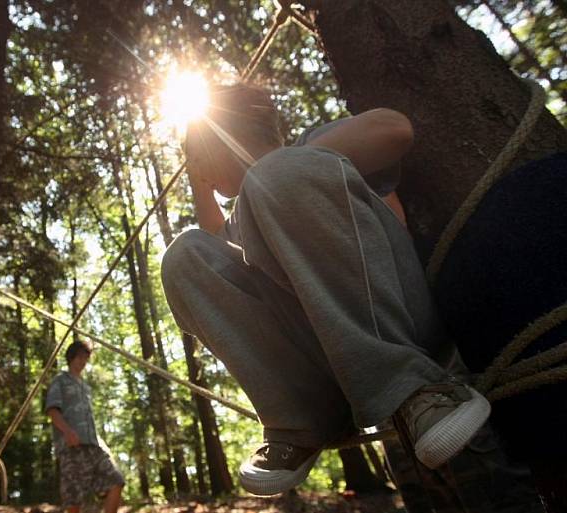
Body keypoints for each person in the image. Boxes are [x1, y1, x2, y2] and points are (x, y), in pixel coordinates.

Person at [160, 83, 491, 496]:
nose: (193, 165)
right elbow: (214, 251)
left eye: (195, 152)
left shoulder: (304, 160)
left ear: (222, 132)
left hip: (401, 324)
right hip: (339, 367)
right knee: (184, 256)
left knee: (273, 175)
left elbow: (395, 130)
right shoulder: (246, 212)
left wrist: (288, 161)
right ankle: (303, 418)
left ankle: (410, 384)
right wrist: (202, 182)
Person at [45, 340, 125, 512]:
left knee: (116, 481)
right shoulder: (60, 380)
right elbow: (52, 410)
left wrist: (102, 444)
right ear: (71, 358)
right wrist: (67, 432)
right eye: (80, 357)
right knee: (74, 499)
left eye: (86, 358)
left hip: (93, 446)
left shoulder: (86, 387)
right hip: (71, 447)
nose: (83, 361)